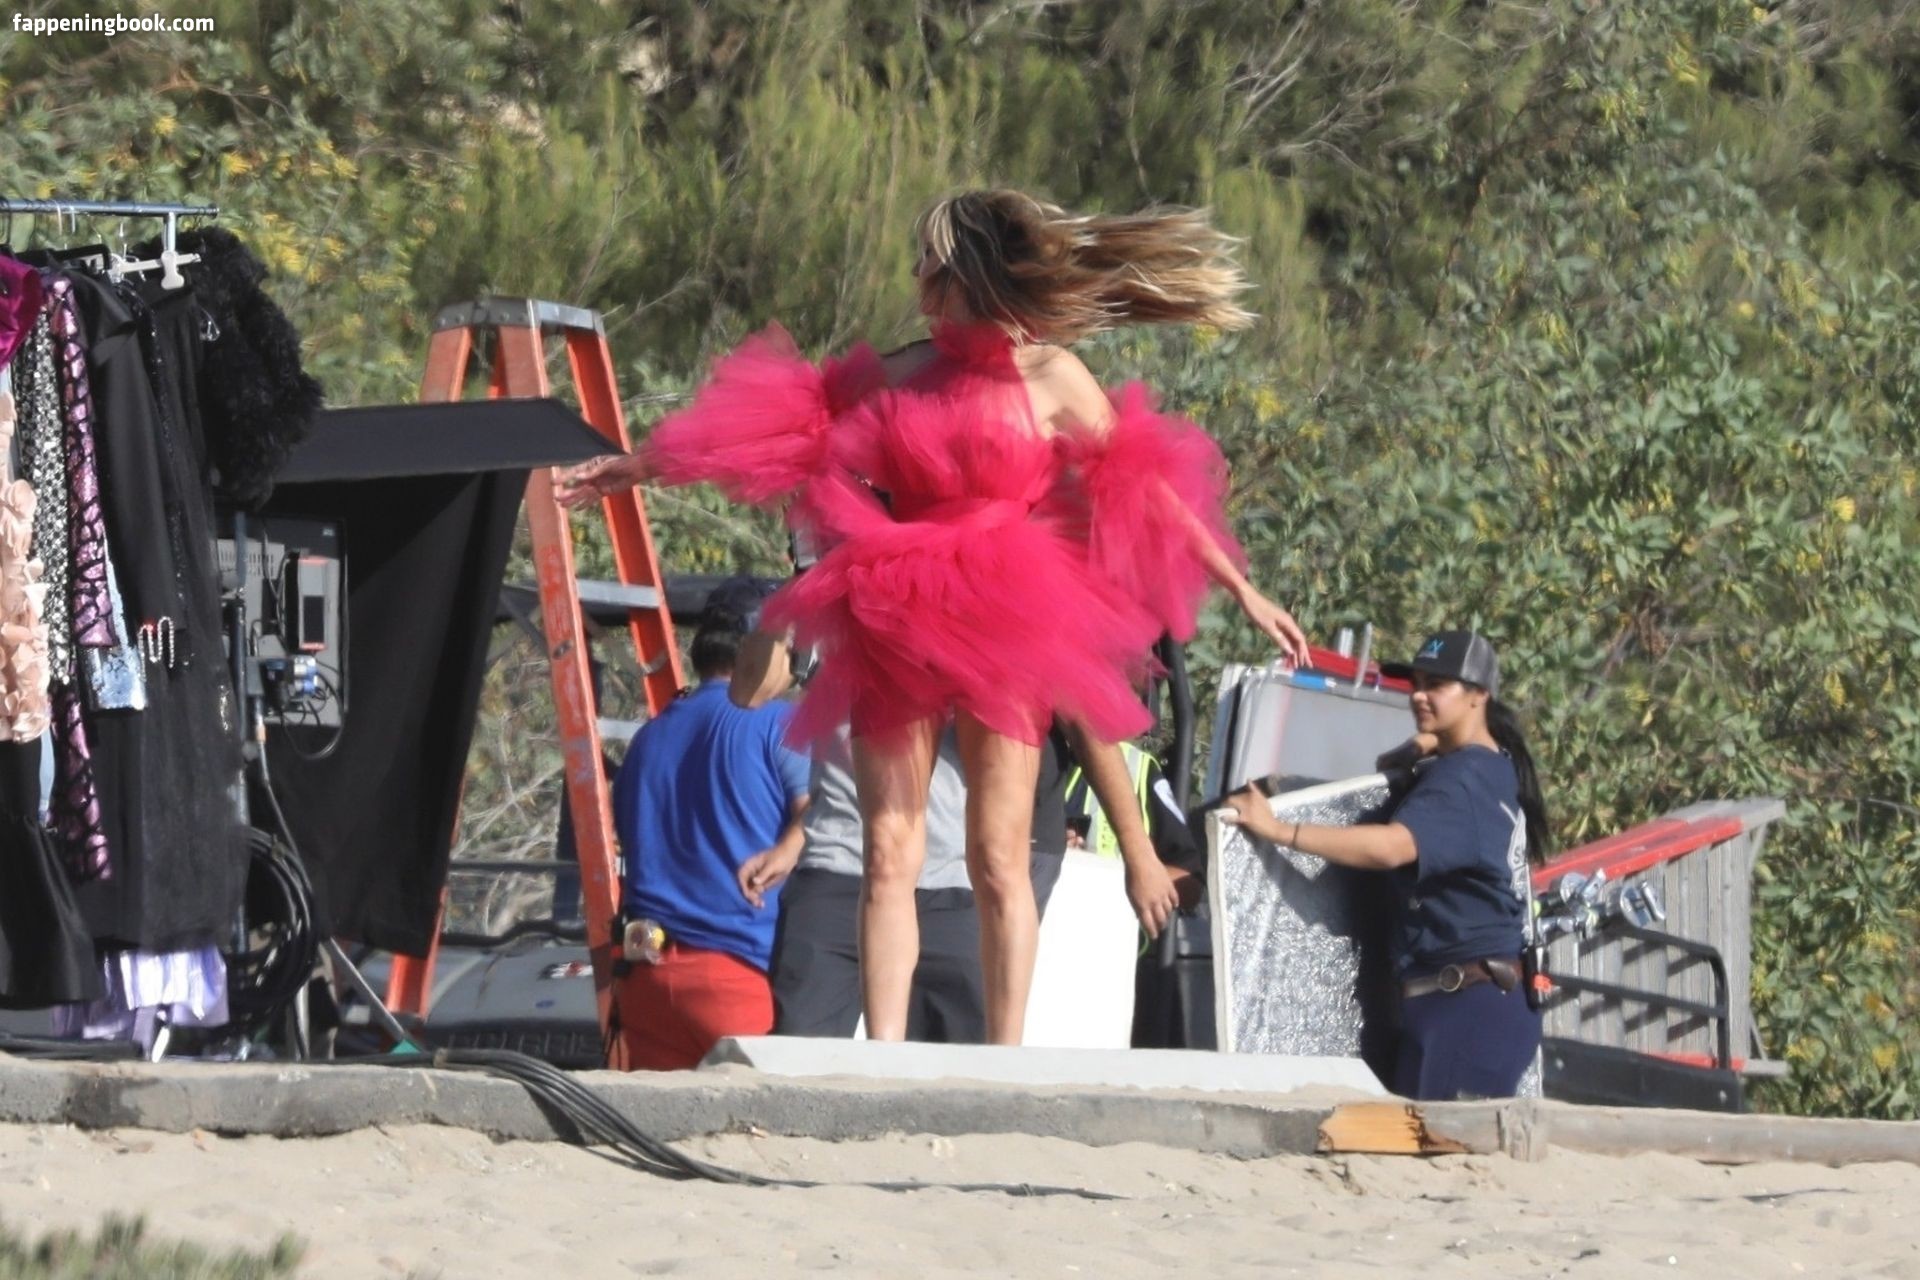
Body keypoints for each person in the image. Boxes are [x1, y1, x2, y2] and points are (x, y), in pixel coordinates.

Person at [560, 188, 1306, 1046]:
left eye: (930, 263)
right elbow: (764, 433)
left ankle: (1005, 1057)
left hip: (1011, 603)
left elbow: (1145, 486)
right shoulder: (897, 372)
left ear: (970, 274)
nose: (916, 279)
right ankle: (886, 1054)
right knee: (889, 849)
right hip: (894, 600)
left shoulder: (1052, 375)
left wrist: (1242, 588)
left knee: (997, 857)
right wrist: (638, 467)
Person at [1223, 630, 1549, 1100]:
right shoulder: (1491, 764)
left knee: (1439, 1144)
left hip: (1467, 1008)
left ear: (1479, 695)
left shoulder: (1462, 779)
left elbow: (1391, 848)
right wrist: (1420, 746)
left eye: (1436, 685)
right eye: (1416, 683)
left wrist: (1279, 830)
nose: (1418, 695)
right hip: (1467, 1002)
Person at [609, 579, 811, 1070]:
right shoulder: (778, 724)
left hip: (648, 980)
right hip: (737, 976)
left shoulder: (649, 736)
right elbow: (826, 815)